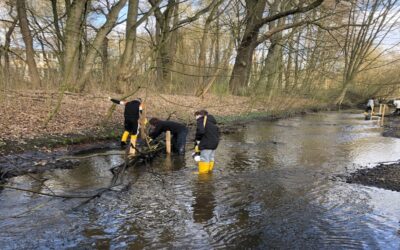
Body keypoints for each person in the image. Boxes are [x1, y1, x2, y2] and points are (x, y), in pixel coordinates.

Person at [194, 110, 219, 174]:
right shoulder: (212, 122)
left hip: (206, 142)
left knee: (204, 158)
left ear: (199, 115)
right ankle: (209, 172)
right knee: (211, 158)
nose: (196, 118)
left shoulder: (200, 120)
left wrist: (197, 139)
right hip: (215, 142)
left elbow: (201, 131)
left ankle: (203, 174)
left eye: (196, 116)